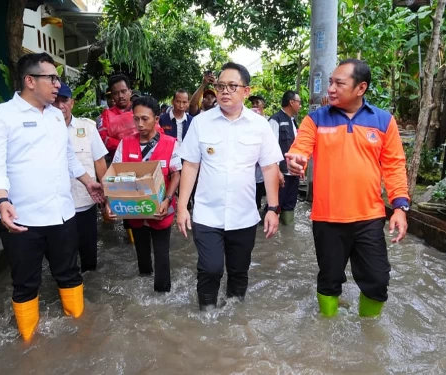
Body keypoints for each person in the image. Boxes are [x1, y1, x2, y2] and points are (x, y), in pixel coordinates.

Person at [0, 52, 104, 342]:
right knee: (25, 284)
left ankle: (80, 337)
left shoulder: (56, 119)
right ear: (30, 80)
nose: (58, 84)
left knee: (70, 274)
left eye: (58, 78)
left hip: (62, 214)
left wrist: (88, 182)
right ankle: (29, 347)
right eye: (52, 78)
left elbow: (69, 156)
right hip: (22, 219)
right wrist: (2, 200)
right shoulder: (0, 116)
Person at [285, 59, 409, 318]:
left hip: (369, 217)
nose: (330, 88)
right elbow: (300, 148)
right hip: (327, 217)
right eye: (330, 82)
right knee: (329, 279)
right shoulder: (316, 119)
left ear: (360, 88)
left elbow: (394, 166)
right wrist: (296, 160)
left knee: (377, 280)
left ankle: (368, 333)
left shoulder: (383, 121)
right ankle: (327, 334)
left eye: (339, 83)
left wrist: (400, 207)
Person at [177, 62, 283, 311]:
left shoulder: (260, 126)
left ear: (246, 91)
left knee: (239, 270)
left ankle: (235, 315)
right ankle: (207, 315)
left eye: (232, 86)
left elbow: (269, 168)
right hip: (207, 213)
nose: (225, 91)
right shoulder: (201, 123)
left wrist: (273, 208)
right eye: (221, 86)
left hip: (244, 215)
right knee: (210, 268)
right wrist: (182, 207)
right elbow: (190, 166)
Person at [105, 96, 181, 293]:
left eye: (145, 119)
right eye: (136, 119)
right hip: (135, 210)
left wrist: (167, 199)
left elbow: (176, 174)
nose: (139, 124)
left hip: (161, 209)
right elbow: (114, 173)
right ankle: (144, 282)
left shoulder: (170, 143)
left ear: (157, 119)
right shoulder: (125, 144)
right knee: (141, 252)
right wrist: (110, 202)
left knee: (162, 254)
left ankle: (162, 295)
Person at [53, 83, 108, 273]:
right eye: (56, 100)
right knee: (63, 257)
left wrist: (107, 199)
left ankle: (91, 295)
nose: (61, 106)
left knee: (89, 257)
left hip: (84, 204)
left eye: (65, 100)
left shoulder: (88, 127)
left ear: (72, 103)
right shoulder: (43, 132)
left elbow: (100, 163)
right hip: (56, 207)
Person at [269, 90, 302, 225]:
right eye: (299, 102)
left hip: (293, 172)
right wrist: (277, 171)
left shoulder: (294, 122)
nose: (300, 105)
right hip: (281, 173)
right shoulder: (275, 120)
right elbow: (270, 149)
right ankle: (269, 236)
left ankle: (287, 233)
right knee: (275, 204)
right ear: (291, 102)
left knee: (290, 204)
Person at [98, 74, 136, 160]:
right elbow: (102, 139)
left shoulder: (141, 110)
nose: (120, 96)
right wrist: (126, 146)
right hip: (118, 162)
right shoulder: (107, 114)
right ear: (112, 96)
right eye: (116, 93)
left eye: (123, 91)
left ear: (130, 92)